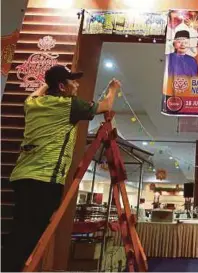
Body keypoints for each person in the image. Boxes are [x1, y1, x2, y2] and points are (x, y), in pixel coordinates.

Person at [4, 65, 121, 272]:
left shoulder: (33, 104)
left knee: (19, 231)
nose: (76, 85)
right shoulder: (68, 106)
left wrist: (47, 84)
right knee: (29, 236)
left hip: (21, 176)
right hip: (45, 178)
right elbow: (105, 105)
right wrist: (114, 88)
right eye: (72, 82)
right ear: (61, 86)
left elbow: (34, 94)